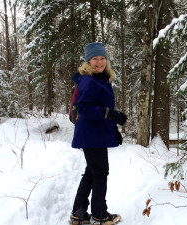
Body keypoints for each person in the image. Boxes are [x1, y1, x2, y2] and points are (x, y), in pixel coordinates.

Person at [70, 42, 127, 225]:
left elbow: (103, 108)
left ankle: (79, 213)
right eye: (95, 59)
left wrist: (114, 129)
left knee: (92, 172)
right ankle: (100, 214)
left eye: (102, 58)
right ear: (88, 61)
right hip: (91, 134)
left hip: (96, 133)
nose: (99, 62)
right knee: (101, 172)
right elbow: (85, 108)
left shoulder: (101, 78)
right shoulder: (89, 80)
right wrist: (110, 114)